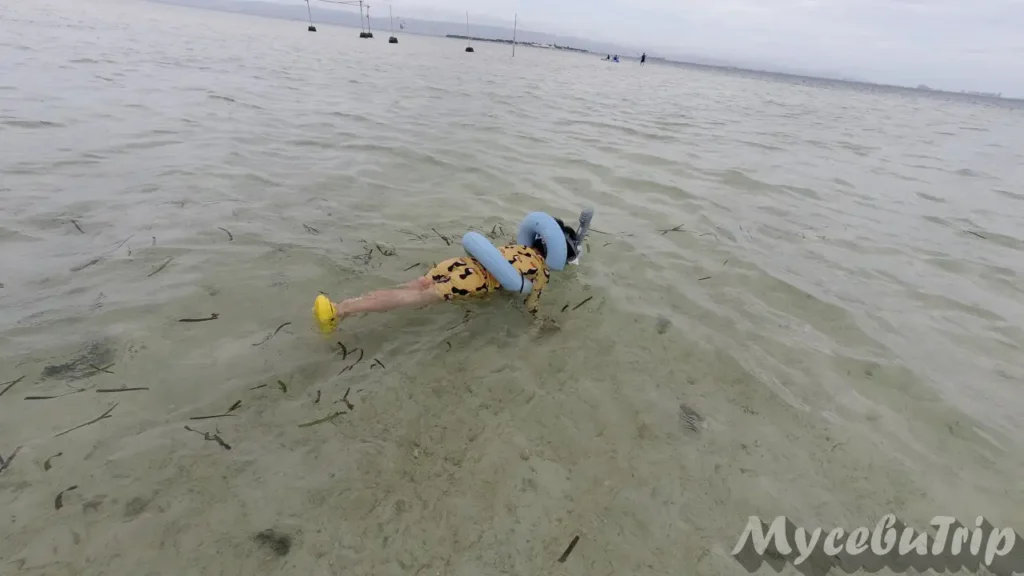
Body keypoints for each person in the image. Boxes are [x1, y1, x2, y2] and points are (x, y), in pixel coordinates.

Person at [321, 217, 582, 328]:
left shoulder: (518, 246)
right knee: (412, 299)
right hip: (469, 282)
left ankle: (346, 304)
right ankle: (340, 310)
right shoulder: (543, 272)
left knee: (412, 288)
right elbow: (531, 304)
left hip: (456, 264)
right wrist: (539, 321)